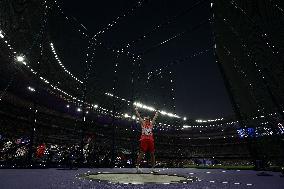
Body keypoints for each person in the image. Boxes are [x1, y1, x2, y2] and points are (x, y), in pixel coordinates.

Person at [134, 107, 159, 173]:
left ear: (149, 119)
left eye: (148, 118)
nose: (146, 119)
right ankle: (137, 167)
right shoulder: (143, 123)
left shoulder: (151, 124)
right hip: (144, 139)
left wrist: (157, 113)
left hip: (150, 140)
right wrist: (136, 110)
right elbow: (139, 116)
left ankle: (153, 168)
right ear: (145, 119)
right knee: (142, 153)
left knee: (152, 154)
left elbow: (155, 118)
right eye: (146, 118)